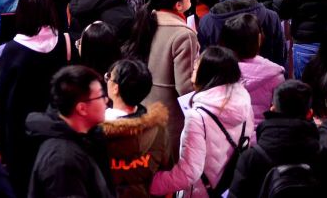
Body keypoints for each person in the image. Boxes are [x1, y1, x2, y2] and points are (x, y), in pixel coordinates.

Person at [0, 0, 74, 192]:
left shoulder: (12, 51)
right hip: (56, 131)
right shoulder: (65, 42)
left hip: (20, 137)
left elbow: (1, 100)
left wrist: (2, 143)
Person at [150, 46, 254, 196]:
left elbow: (188, 173)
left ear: (207, 74)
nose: (193, 70)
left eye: (196, 67)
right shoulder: (244, 102)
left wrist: (151, 184)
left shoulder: (197, 116)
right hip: (231, 190)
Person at [125, 0, 199, 155]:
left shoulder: (145, 20)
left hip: (144, 109)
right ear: (178, 5)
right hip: (169, 117)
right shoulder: (184, 34)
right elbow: (185, 87)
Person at [26, 65, 114, 198]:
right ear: (82, 108)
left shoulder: (88, 138)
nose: (106, 100)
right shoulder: (62, 161)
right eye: (101, 96)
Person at [101, 58, 171, 198]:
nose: (107, 79)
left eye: (109, 76)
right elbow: (166, 172)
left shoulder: (95, 131)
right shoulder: (158, 128)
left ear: (116, 88)